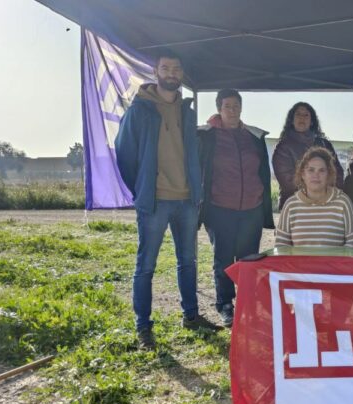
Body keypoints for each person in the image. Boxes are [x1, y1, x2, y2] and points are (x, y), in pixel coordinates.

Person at [115, 50, 220, 350]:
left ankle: (191, 315)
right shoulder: (140, 110)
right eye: (165, 68)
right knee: (145, 265)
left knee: (188, 262)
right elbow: (124, 154)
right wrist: (143, 187)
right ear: (155, 71)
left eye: (176, 69)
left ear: (181, 73)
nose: (171, 73)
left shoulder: (187, 111)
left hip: (186, 200)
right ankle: (143, 327)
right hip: (155, 201)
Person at [197, 89, 275, 327]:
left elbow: (262, 170)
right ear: (219, 108)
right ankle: (225, 305)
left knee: (248, 258)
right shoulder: (206, 136)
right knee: (223, 259)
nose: (233, 110)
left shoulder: (253, 136)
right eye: (228, 106)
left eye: (236, 105)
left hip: (251, 207)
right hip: (220, 207)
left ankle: (248, 302)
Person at [276, 147, 353, 248]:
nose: (316, 175)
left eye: (322, 170)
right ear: (303, 174)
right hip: (299, 264)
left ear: (328, 175)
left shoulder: (343, 202)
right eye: (311, 170)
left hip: (334, 264)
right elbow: (281, 245)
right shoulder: (291, 204)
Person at [272, 102, 343, 210]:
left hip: (327, 205)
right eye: (298, 114)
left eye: (306, 115)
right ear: (292, 120)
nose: (302, 118)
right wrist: (315, 195)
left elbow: (337, 173)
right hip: (295, 206)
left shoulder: (324, 144)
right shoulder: (283, 147)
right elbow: (288, 182)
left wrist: (326, 196)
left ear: (312, 121)